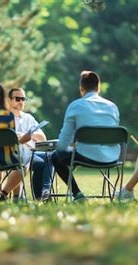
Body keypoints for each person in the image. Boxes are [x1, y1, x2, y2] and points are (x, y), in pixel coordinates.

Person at [51, 70, 120, 202]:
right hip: (112, 157)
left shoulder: (75, 106)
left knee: (55, 156)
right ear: (98, 88)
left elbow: (63, 143)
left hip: (86, 156)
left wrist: (67, 147)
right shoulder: (113, 107)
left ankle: (77, 194)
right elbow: (113, 133)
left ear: (81, 88)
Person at [8, 87, 53, 201]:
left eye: (23, 99)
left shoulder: (28, 117)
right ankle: (40, 196)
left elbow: (42, 138)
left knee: (51, 156)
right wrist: (30, 135)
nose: (21, 102)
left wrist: (27, 135)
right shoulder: (5, 118)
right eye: (17, 99)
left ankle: (44, 192)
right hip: (15, 155)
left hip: (32, 153)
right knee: (40, 163)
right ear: (9, 100)